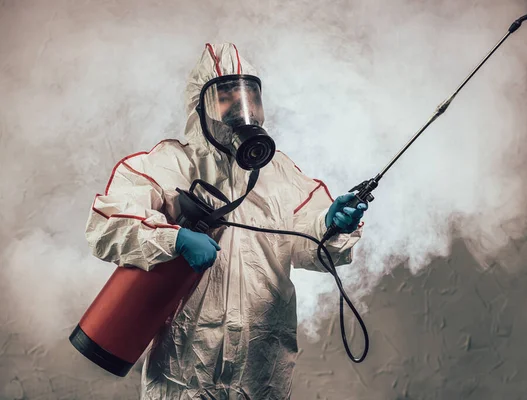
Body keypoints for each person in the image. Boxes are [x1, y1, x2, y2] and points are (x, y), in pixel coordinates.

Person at [85, 43, 367, 400]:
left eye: (250, 97)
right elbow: (107, 225)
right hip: (183, 378)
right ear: (200, 108)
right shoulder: (168, 165)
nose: (241, 110)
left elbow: (308, 242)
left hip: (261, 377)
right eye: (226, 98)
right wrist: (174, 239)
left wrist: (331, 223)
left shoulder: (279, 174)